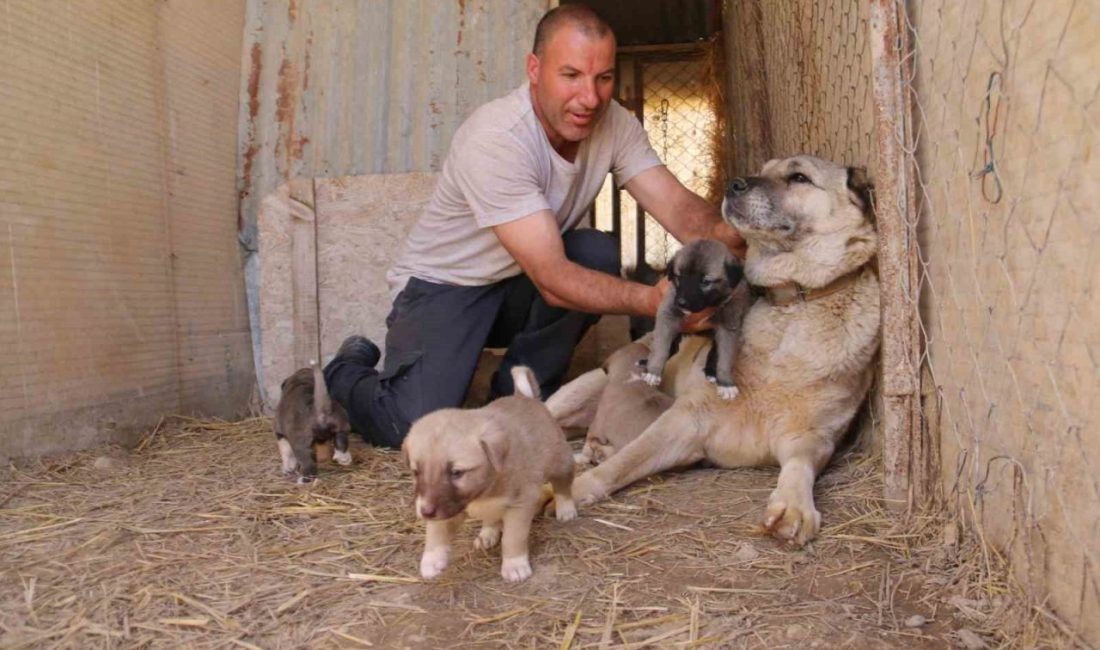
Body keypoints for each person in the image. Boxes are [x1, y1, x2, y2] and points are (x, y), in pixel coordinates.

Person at [324, 4, 744, 448]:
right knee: (409, 424)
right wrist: (656, 301)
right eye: (571, 76)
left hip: (514, 284)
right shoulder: (497, 138)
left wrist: (739, 240)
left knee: (594, 252)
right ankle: (343, 371)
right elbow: (553, 280)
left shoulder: (615, 123)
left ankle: (519, 401)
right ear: (534, 69)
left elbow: (680, 210)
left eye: (603, 78)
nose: (590, 97)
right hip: (445, 287)